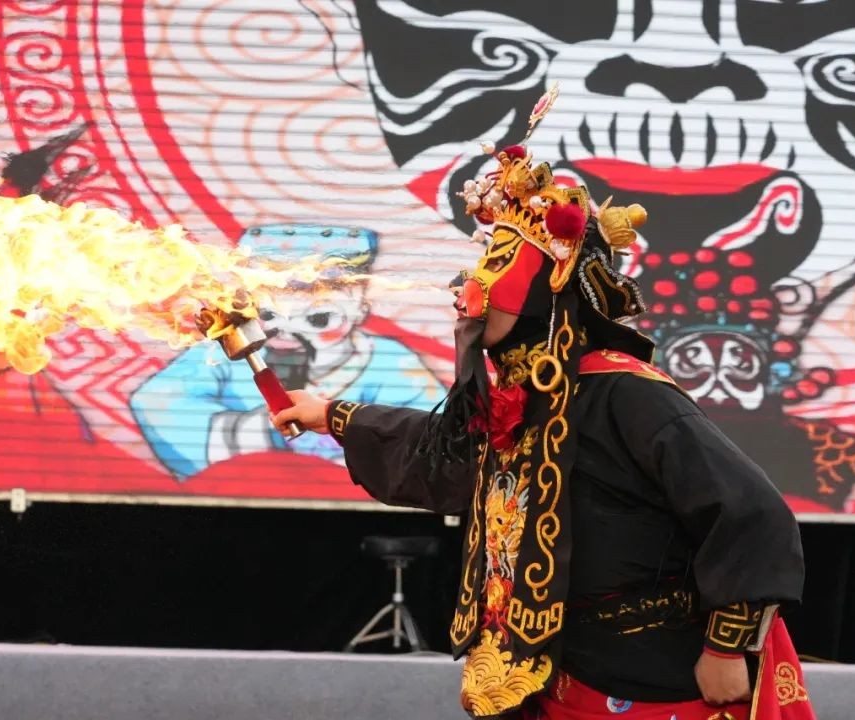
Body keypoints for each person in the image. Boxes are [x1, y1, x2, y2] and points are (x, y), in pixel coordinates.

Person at [272, 91, 814, 720]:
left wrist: (726, 646)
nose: (470, 285)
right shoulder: (521, 399)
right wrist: (332, 414)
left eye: (498, 262)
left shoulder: (626, 393)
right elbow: (446, 457)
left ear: (549, 283)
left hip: (657, 675)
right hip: (557, 671)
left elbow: (751, 513)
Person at [131, 224, 446, 480]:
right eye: (269, 316)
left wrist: (346, 436)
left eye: (319, 319)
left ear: (360, 310)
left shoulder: (392, 364)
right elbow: (156, 401)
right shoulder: (219, 359)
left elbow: (433, 436)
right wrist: (253, 433)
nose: (287, 335)